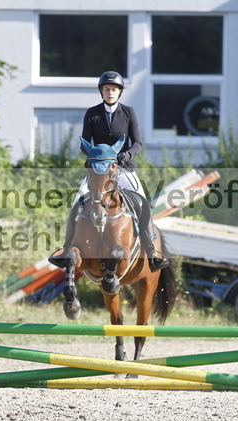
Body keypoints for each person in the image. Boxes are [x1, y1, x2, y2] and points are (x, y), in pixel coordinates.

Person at [49, 71, 169, 272]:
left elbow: (137, 143)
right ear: (101, 92)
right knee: (76, 202)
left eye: (114, 89)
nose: (110, 92)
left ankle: (152, 252)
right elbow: (85, 144)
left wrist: (127, 154)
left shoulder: (128, 112)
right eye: (107, 89)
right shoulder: (92, 113)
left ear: (119, 92)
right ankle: (66, 248)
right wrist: (97, 155)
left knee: (142, 203)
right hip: (98, 170)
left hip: (123, 167)